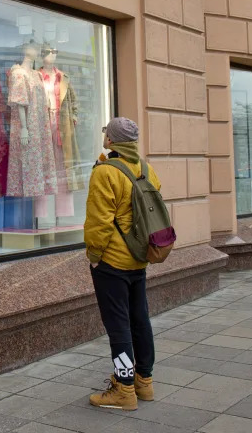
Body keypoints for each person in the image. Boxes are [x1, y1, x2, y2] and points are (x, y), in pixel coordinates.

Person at [84, 117, 160, 411]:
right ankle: (144, 382)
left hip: (112, 261)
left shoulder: (105, 172)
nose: (104, 136)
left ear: (112, 140)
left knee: (118, 326)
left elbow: (98, 222)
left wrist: (94, 256)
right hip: (138, 258)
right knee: (139, 319)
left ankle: (124, 389)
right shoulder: (144, 168)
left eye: (107, 133)